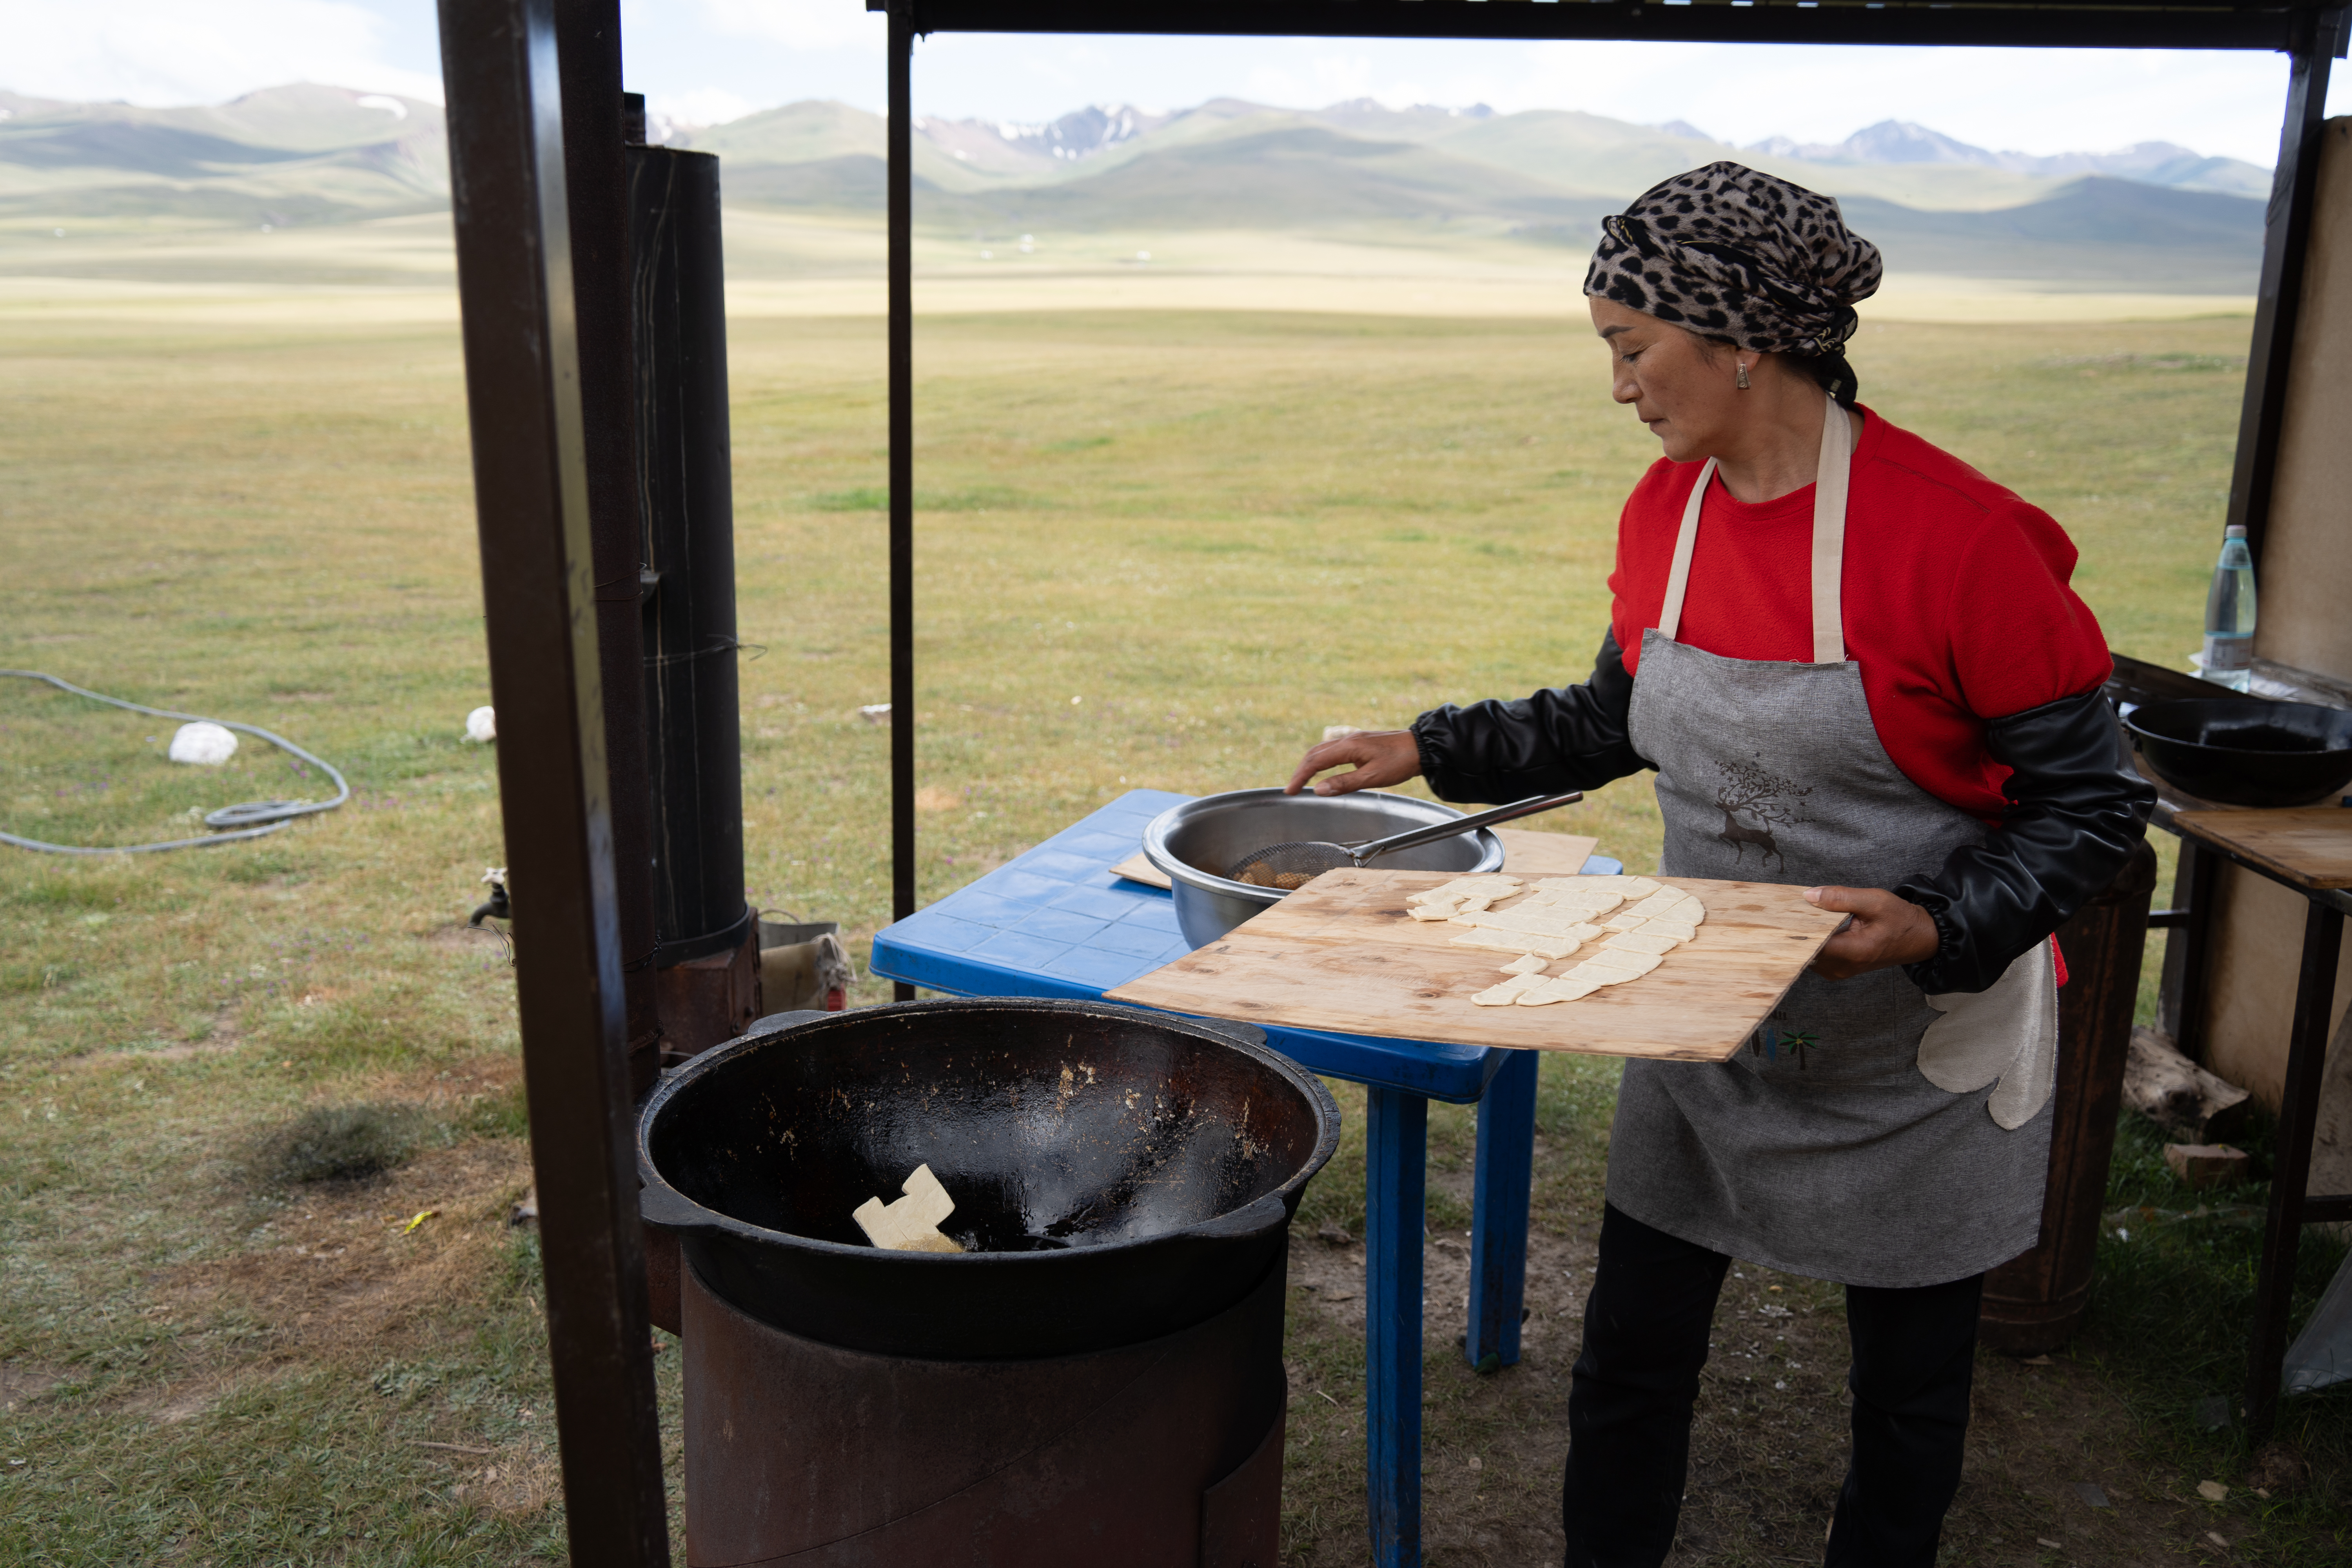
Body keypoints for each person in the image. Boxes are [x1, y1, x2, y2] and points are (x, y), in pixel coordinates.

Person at [1285, 163, 2155, 1568]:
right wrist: (1427, 746)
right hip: (1704, 1022)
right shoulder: (1667, 513)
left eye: (1631, 349)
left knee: (1909, 1394)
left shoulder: (1966, 545)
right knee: (1631, 1358)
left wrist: (1936, 923)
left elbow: (2094, 810)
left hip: (1910, 1047)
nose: (1620, 386)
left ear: (1740, 335)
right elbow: (1614, 717)